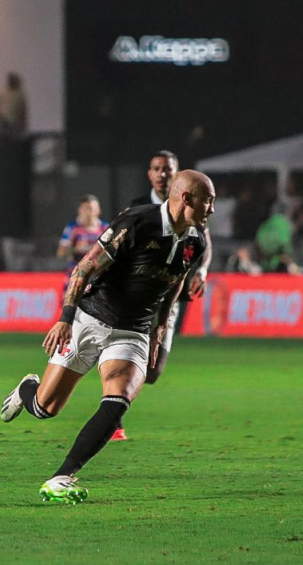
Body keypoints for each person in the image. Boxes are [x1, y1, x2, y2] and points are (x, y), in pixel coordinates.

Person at [0, 170, 214, 503]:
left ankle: (61, 476)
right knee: (45, 407)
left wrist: (160, 328)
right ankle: (28, 388)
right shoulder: (136, 223)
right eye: (208, 200)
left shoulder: (195, 241)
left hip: (134, 331)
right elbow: (84, 267)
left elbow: (175, 283)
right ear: (186, 198)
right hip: (90, 318)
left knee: (118, 401)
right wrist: (65, 319)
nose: (212, 208)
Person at [114, 150, 213, 442]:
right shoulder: (137, 208)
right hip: (138, 297)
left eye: (167, 169)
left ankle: (115, 388)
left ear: (178, 174)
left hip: (169, 295)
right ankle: (114, 417)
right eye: (156, 169)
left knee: (154, 371)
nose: (162, 175)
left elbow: (205, 245)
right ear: (149, 174)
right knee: (127, 359)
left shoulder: (193, 205)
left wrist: (202, 271)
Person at [57, 195, 109, 286]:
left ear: (98, 211)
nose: (88, 212)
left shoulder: (106, 228)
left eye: (91, 209)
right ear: (79, 210)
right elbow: (60, 253)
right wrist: (75, 249)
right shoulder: (72, 228)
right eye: (85, 209)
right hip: (76, 279)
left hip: (99, 279)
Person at [0, 72, 28, 139]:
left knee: (13, 140)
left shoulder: (20, 94)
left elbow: (23, 110)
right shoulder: (4, 91)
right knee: (3, 139)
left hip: (14, 123)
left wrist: (23, 124)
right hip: (3, 122)